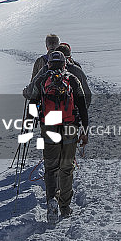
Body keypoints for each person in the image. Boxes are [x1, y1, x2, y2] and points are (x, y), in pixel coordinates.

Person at [24, 50, 88, 220]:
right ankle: (65, 206)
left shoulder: (42, 79)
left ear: (49, 63)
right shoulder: (72, 80)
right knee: (66, 167)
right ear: (65, 63)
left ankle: (51, 199)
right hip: (70, 126)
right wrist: (84, 130)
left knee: (51, 167)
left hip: (50, 126)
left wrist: (29, 125)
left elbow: (33, 103)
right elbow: (82, 106)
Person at [57, 42, 92, 109]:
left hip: (50, 111)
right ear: (69, 57)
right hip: (71, 111)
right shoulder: (76, 70)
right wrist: (83, 110)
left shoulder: (46, 70)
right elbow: (86, 93)